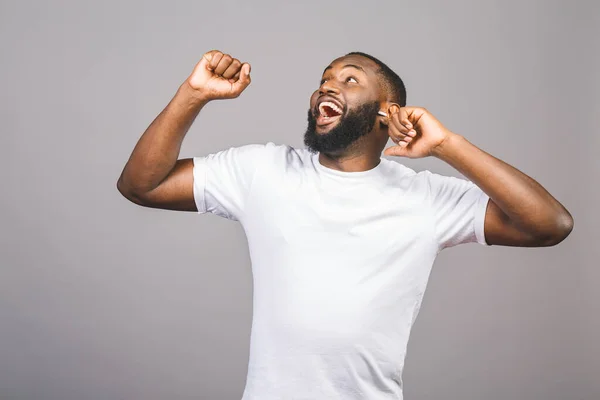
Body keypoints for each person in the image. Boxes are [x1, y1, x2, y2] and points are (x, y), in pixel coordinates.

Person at [117, 50, 574, 400]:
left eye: (349, 79)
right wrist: (192, 94)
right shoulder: (263, 171)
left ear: (387, 111)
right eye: (323, 81)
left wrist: (448, 146)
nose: (325, 88)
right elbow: (142, 185)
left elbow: (549, 224)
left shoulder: (427, 197)